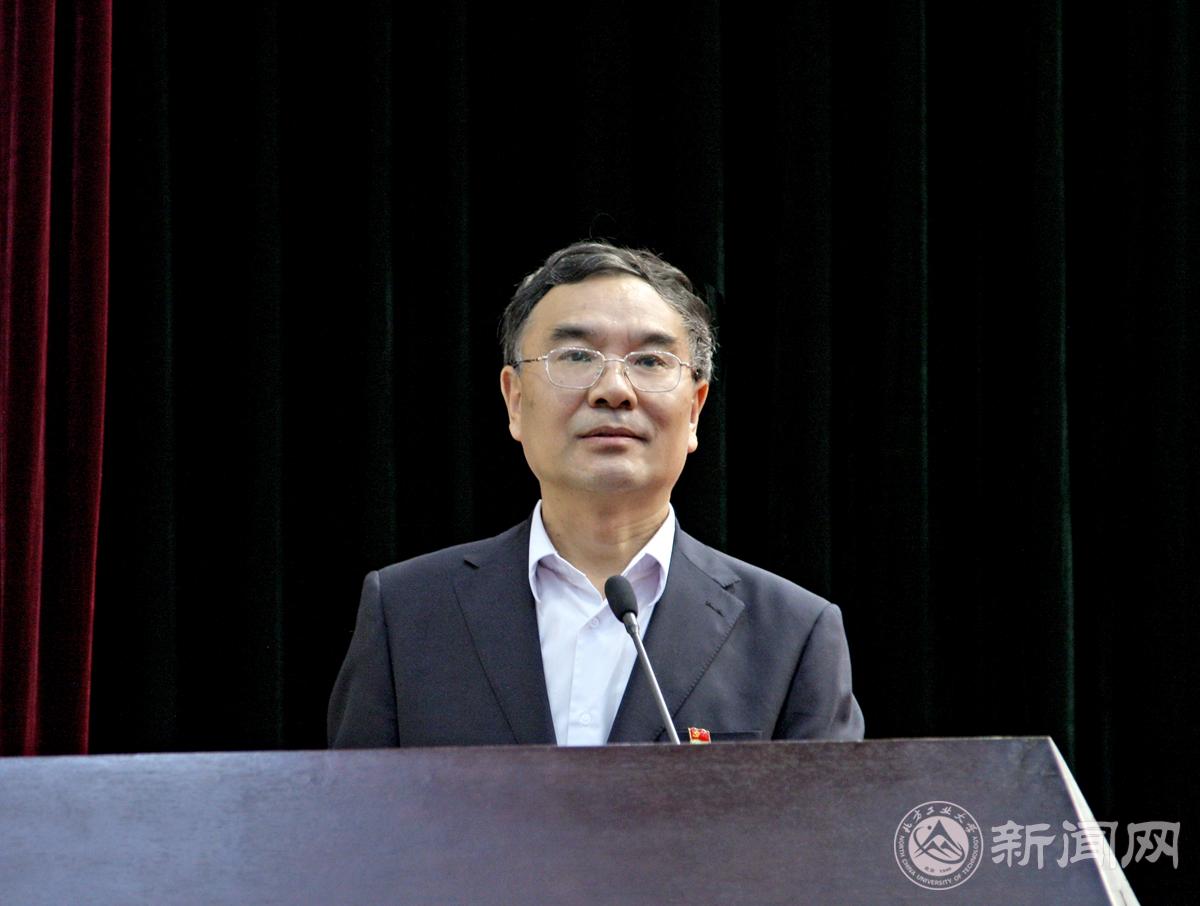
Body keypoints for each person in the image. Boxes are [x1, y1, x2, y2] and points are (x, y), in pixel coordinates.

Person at [328, 240, 864, 747]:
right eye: (577, 356)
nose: (613, 390)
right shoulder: (406, 614)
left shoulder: (792, 634)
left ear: (695, 410)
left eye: (650, 361)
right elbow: (353, 811)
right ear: (515, 401)